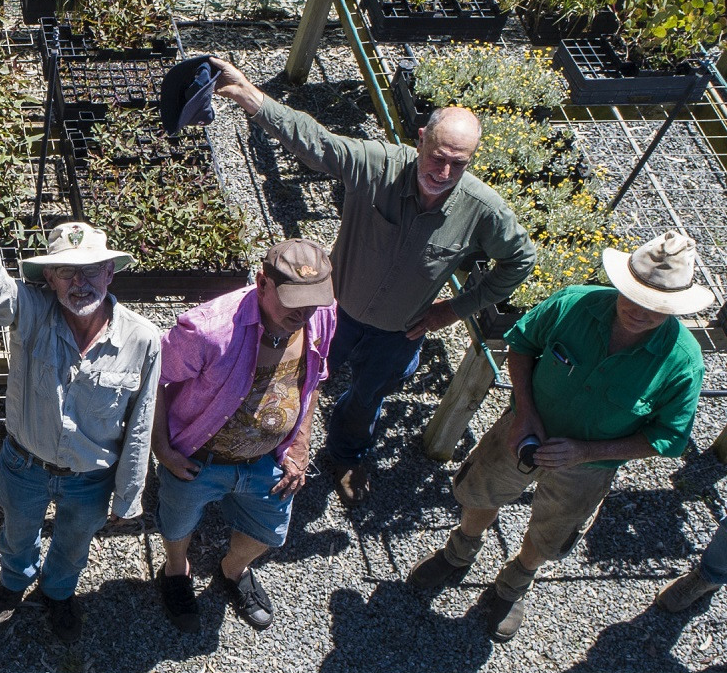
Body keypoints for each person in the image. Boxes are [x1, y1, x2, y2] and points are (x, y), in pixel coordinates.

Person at [207, 57, 537, 506]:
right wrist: (252, 98)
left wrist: (454, 310)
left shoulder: (482, 209)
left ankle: (345, 455)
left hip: (399, 331)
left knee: (367, 398)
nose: (442, 174)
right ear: (420, 139)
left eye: (457, 165)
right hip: (332, 312)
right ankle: (261, 446)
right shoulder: (379, 165)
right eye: (437, 158)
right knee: (293, 376)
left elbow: (520, 260)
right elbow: (318, 143)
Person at [409, 231, 708, 642]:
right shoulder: (575, 302)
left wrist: (586, 452)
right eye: (633, 295)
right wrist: (525, 414)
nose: (639, 311)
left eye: (655, 307)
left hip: (588, 467)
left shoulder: (683, 363)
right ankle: (459, 551)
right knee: (480, 492)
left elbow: (667, 439)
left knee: (552, 532)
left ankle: (515, 584)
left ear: (673, 308)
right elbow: (522, 344)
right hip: (521, 432)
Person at [0, 168, 160, 641]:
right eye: (67, 270)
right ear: (49, 276)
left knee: (73, 544)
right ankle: (14, 581)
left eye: (91, 270)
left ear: (110, 272)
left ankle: (58, 594)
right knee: (17, 534)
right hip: (24, 464)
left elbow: (141, 421)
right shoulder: (31, 308)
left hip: (90, 479)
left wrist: (127, 495)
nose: (80, 281)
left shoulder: (143, 339)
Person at [153, 240, 339, 631]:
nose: (304, 313)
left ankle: (233, 570)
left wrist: (300, 445)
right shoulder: (207, 330)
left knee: (269, 531)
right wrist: (163, 449)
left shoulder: (321, 317)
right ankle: (176, 570)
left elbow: (314, 379)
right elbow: (151, 378)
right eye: (293, 300)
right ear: (261, 283)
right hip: (197, 460)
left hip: (271, 460)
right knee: (176, 525)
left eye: (313, 301)